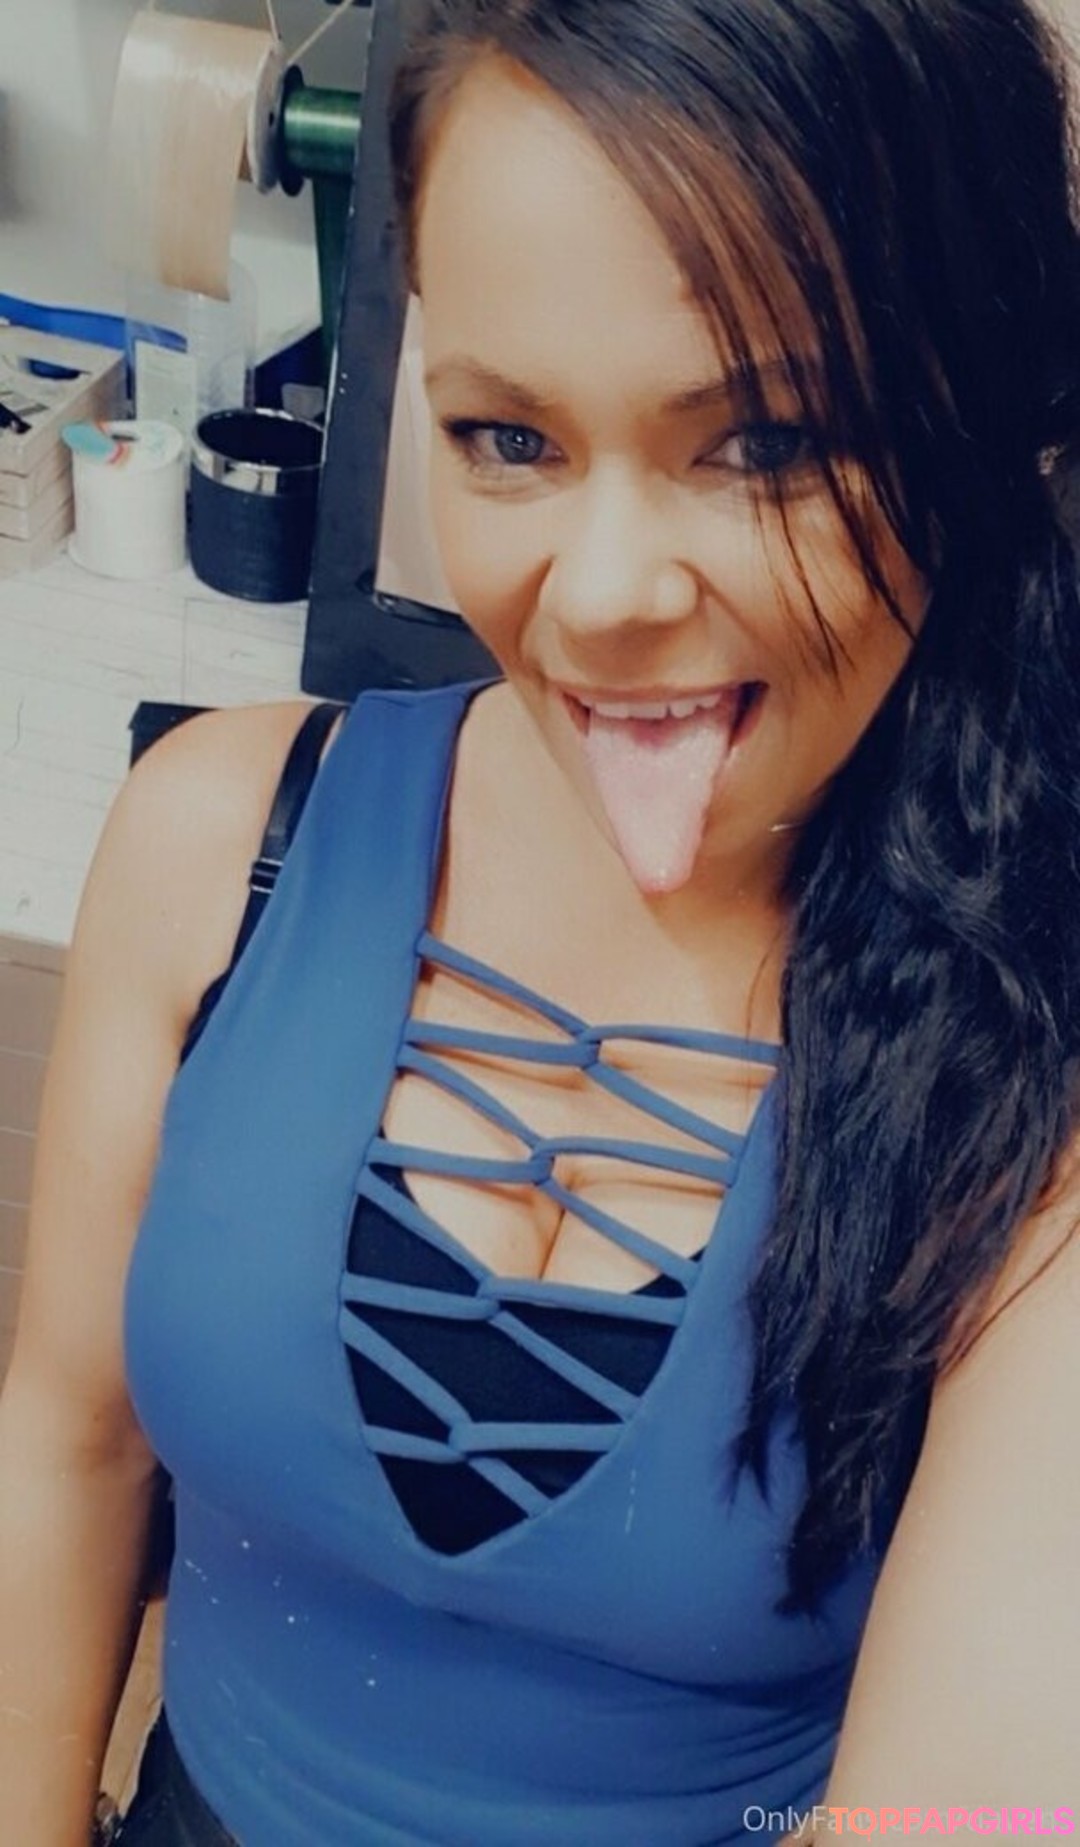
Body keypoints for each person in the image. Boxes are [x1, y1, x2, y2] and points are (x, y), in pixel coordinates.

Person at [3, 0, 1080, 1840]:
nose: (599, 597)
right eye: (508, 437)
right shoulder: (221, 846)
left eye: (764, 443)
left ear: (968, 418)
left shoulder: (1034, 1066)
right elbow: (68, 1448)